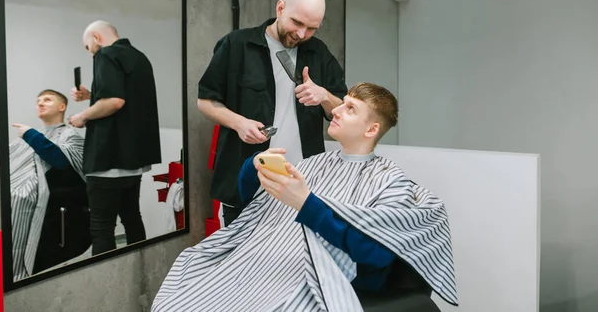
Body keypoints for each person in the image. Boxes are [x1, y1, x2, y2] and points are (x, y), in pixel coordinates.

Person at [152, 82, 458, 312]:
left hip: (314, 278)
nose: (335, 110)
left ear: (372, 129)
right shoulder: (312, 164)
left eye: (350, 108)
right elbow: (257, 209)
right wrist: (253, 167)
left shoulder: (389, 183)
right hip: (265, 262)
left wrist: (305, 204)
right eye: (343, 103)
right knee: (188, 281)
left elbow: (376, 255)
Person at [198, 0, 348, 226]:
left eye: (311, 28)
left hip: (301, 183)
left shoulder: (319, 53)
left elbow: (340, 108)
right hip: (245, 181)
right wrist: (238, 123)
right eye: (296, 23)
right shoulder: (236, 45)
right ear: (280, 8)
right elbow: (205, 101)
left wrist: (324, 96)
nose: (301, 34)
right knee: (242, 260)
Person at [69, 20, 161, 256]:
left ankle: (105, 286)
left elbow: (114, 102)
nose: (91, 53)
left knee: (101, 228)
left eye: (88, 47)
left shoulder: (106, 55)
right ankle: (140, 275)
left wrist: (83, 116)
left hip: (108, 159)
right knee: (132, 219)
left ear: (96, 38)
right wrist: (91, 96)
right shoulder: (139, 58)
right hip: (134, 160)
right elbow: (126, 97)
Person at [10, 89, 89, 280]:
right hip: (16, 189)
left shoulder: (70, 135)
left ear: (62, 107)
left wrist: (31, 135)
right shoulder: (24, 139)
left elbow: (62, 162)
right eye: (38, 101)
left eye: (47, 99)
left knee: (18, 197)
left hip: (51, 201)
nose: (40, 103)